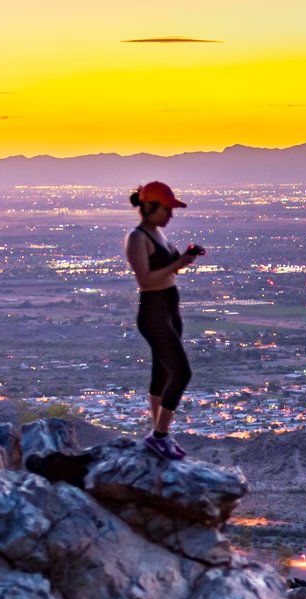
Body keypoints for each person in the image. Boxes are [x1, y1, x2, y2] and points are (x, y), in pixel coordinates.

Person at [125, 181, 202, 460]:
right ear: (148, 207)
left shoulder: (158, 234)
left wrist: (185, 258)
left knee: (163, 372)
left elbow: (167, 272)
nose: (171, 215)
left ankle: (157, 433)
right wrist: (179, 263)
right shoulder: (137, 238)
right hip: (154, 312)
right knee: (181, 372)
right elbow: (145, 279)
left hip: (169, 308)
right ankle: (160, 436)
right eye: (166, 209)